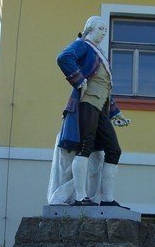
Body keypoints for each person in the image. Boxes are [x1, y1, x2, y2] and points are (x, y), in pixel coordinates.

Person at [55, 15, 130, 207]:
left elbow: (103, 87)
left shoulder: (98, 52)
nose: (104, 33)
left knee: (114, 150)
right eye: (100, 29)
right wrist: (79, 80)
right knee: (84, 147)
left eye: (105, 30)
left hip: (100, 108)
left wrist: (116, 112)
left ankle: (107, 199)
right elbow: (64, 58)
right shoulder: (83, 45)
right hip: (86, 104)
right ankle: (80, 197)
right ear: (89, 29)